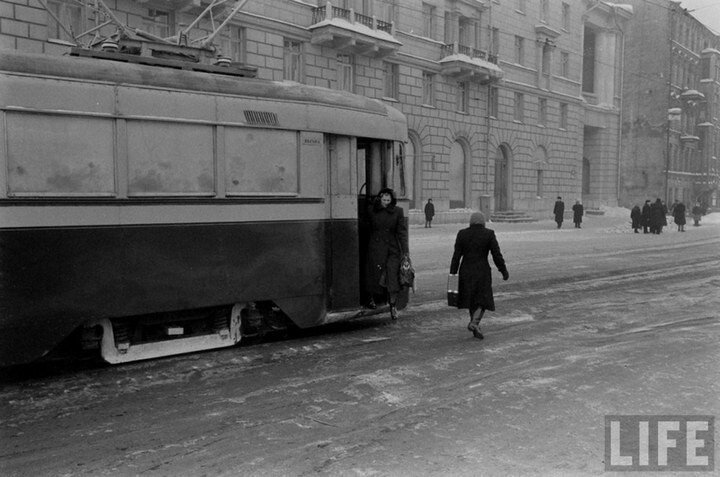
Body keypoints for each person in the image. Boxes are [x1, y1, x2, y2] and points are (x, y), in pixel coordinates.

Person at [449, 212, 509, 340]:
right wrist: (503, 270)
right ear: (483, 222)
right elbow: (496, 255)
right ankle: (475, 322)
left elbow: (456, 256)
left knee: (472, 300)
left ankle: (475, 325)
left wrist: (453, 273)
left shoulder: (462, 234)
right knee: (483, 299)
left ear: (471, 222)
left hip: (466, 270)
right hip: (482, 271)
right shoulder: (489, 234)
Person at [365, 187, 408, 320]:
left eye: (388, 200)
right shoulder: (371, 210)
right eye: (384, 199)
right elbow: (366, 227)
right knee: (374, 274)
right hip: (375, 247)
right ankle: (371, 299)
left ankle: (393, 305)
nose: (386, 202)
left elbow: (402, 232)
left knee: (393, 276)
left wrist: (405, 251)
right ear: (379, 198)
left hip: (392, 248)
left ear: (392, 200)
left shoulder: (398, 212)